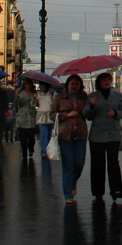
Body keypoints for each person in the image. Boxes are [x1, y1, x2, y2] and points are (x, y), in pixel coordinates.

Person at [83, 71, 122, 201]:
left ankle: (116, 189)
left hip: (113, 134)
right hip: (97, 135)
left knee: (113, 163)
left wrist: (115, 113)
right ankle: (98, 191)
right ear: (98, 83)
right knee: (97, 163)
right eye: (104, 80)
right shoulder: (92, 96)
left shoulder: (117, 95)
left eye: (109, 79)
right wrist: (91, 106)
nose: (107, 82)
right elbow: (87, 115)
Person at [51, 75, 90, 204]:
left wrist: (91, 106)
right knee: (68, 165)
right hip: (65, 135)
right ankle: (68, 195)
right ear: (67, 85)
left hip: (80, 134)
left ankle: (72, 182)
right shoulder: (59, 98)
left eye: (77, 84)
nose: (74, 86)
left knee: (79, 164)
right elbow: (52, 115)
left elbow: (88, 115)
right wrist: (66, 115)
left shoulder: (84, 98)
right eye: (72, 84)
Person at [16, 81, 39, 159]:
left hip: (31, 116)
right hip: (22, 116)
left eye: (29, 85)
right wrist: (17, 98)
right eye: (27, 84)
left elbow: (34, 105)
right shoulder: (20, 93)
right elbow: (16, 103)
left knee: (31, 137)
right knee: (23, 138)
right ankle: (24, 153)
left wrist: (34, 99)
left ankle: (31, 149)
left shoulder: (34, 94)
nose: (28, 86)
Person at [37, 84, 57, 150]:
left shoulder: (52, 93)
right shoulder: (38, 94)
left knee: (50, 135)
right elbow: (33, 104)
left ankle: (50, 150)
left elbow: (56, 104)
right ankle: (44, 151)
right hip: (41, 116)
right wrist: (34, 99)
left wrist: (53, 97)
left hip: (50, 116)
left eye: (43, 86)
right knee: (43, 135)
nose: (42, 87)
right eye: (41, 86)